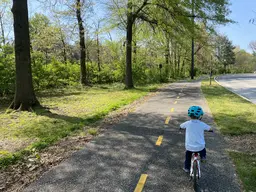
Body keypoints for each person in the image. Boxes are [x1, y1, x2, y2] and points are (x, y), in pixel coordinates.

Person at [180, 106, 213, 173]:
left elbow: (181, 126)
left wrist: (180, 128)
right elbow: (210, 128)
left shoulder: (187, 123)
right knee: (203, 149)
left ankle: (186, 168)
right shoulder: (202, 124)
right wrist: (211, 130)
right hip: (200, 147)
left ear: (190, 115)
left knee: (188, 157)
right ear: (200, 116)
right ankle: (203, 157)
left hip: (189, 147)